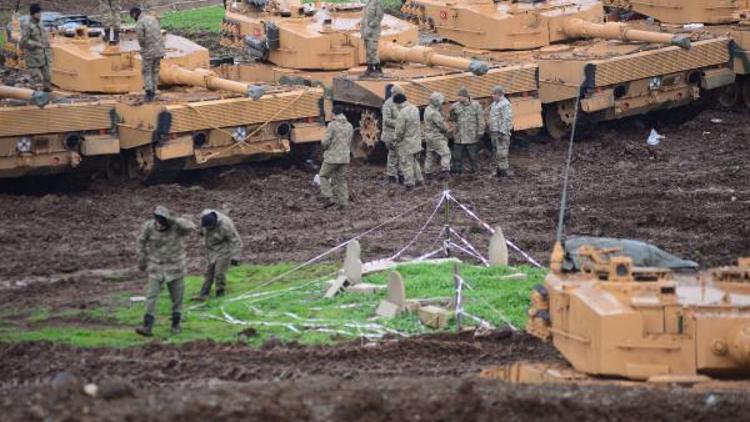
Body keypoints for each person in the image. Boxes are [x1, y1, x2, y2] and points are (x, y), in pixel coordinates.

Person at [135, 206, 195, 336]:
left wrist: (174, 219)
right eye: (159, 222)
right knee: (151, 296)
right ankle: (147, 326)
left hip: (176, 268)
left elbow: (191, 227)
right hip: (156, 267)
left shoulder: (177, 227)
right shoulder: (149, 226)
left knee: (177, 298)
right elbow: (141, 241)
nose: (161, 226)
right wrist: (142, 259)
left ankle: (176, 324)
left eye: (164, 222)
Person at [193, 209, 242, 301]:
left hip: (224, 249)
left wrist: (235, 256)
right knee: (209, 272)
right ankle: (204, 294)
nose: (207, 229)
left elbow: (235, 241)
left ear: (214, 224)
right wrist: (200, 231)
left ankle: (220, 293)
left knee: (219, 273)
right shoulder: (204, 217)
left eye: (209, 227)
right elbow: (200, 229)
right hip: (211, 250)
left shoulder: (225, 225)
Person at [319, 106, 354, 209]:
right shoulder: (349, 125)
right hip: (345, 157)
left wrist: (322, 144)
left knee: (323, 176)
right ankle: (343, 202)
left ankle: (328, 196)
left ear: (334, 114)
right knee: (341, 180)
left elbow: (326, 142)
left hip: (332, 157)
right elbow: (349, 141)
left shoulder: (332, 125)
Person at [130, 7, 165, 102]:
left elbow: (141, 40)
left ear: (134, 15)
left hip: (149, 51)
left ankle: (149, 92)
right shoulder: (153, 19)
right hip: (160, 50)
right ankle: (154, 90)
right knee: (155, 71)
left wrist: (144, 48)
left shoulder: (139, 23)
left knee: (146, 71)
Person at [450, 87, 484, 174]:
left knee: (473, 155)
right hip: (459, 135)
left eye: (459, 96)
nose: (458, 98)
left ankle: (475, 170)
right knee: (457, 156)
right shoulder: (455, 106)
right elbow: (451, 119)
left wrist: (480, 131)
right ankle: (457, 171)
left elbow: (480, 119)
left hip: (471, 135)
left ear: (465, 97)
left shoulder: (476, 105)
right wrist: (452, 115)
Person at [392, 92, 423, 189]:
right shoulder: (415, 108)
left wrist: (395, 140)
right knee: (415, 161)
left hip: (406, 143)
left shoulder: (402, 113)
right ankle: (419, 180)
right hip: (416, 141)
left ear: (398, 103)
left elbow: (400, 131)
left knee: (406, 163)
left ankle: (409, 184)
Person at [20, 4, 52, 92]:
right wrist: (37, 44)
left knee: (48, 75)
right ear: (33, 14)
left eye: (40, 12)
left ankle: (47, 90)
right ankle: (35, 94)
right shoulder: (27, 25)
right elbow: (24, 40)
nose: (40, 14)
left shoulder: (40, 22)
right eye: (38, 13)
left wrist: (47, 44)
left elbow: (43, 36)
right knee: (36, 77)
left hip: (44, 54)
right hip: (33, 55)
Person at [423, 91, 451, 178]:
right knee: (446, 153)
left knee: (431, 154)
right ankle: (445, 171)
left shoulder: (427, 109)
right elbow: (441, 125)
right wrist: (447, 128)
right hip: (436, 136)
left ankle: (428, 172)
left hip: (429, 136)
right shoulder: (434, 113)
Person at [488, 85, 514, 177]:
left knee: (502, 152)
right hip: (494, 131)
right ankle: (498, 169)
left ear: (499, 94)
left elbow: (507, 119)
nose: (492, 96)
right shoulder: (495, 103)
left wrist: (502, 132)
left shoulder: (505, 104)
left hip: (501, 133)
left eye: (494, 94)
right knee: (496, 151)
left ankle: (504, 171)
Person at [381, 84, 404, 183]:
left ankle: (401, 175)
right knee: (393, 155)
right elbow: (386, 120)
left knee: (401, 155)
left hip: (399, 133)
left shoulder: (400, 102)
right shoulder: (388, 104)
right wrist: (399, 123)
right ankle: (391, 176)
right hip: (391, 134)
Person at [360, 0, 384, 76]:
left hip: (373, 31)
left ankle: (378, 69)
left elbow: (379, 17)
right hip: (366, 31)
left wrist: (371, 26)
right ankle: (369, 69)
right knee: (368, 51)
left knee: (372, 50)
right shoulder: (369, 2)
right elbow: (366, 16)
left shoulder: (378, 2)